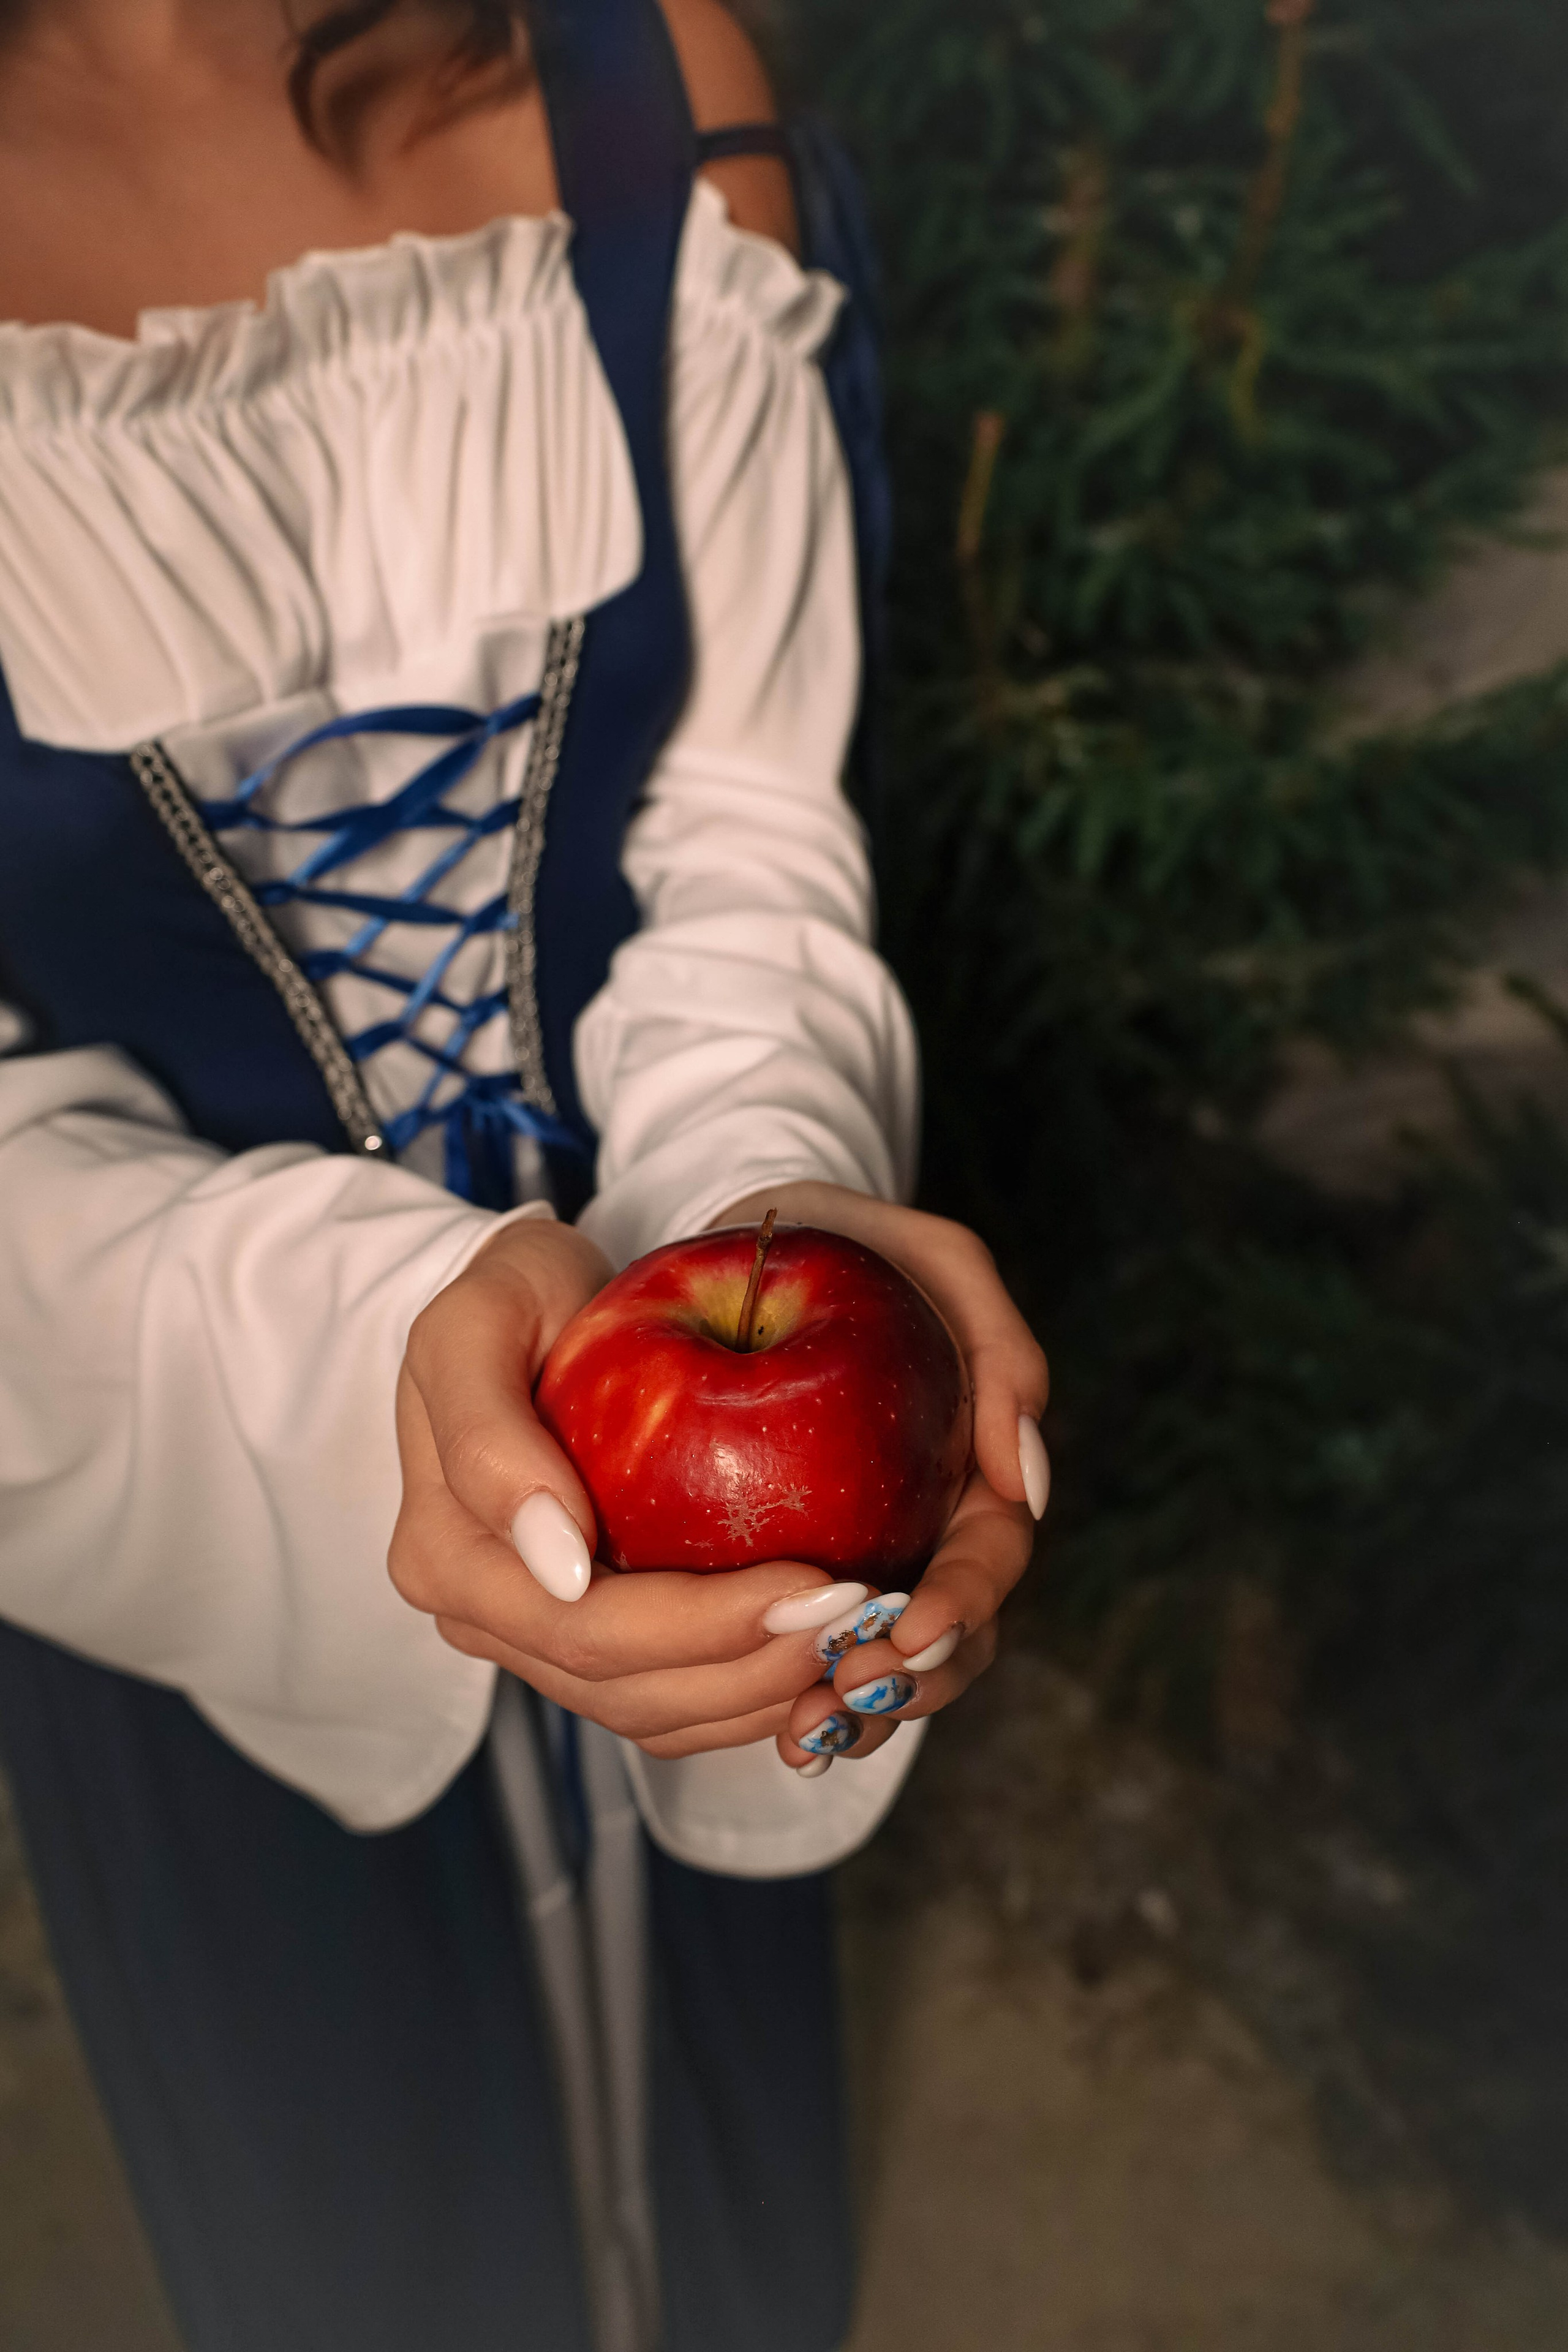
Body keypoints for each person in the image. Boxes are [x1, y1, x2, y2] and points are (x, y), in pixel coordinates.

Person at [0, 2, 1050, 2347]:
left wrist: (777, 1202)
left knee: (738, 2206)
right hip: (189, 1511)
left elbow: (747, 826)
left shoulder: (647, 70)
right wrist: (365, 1353)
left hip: (748, 1512)